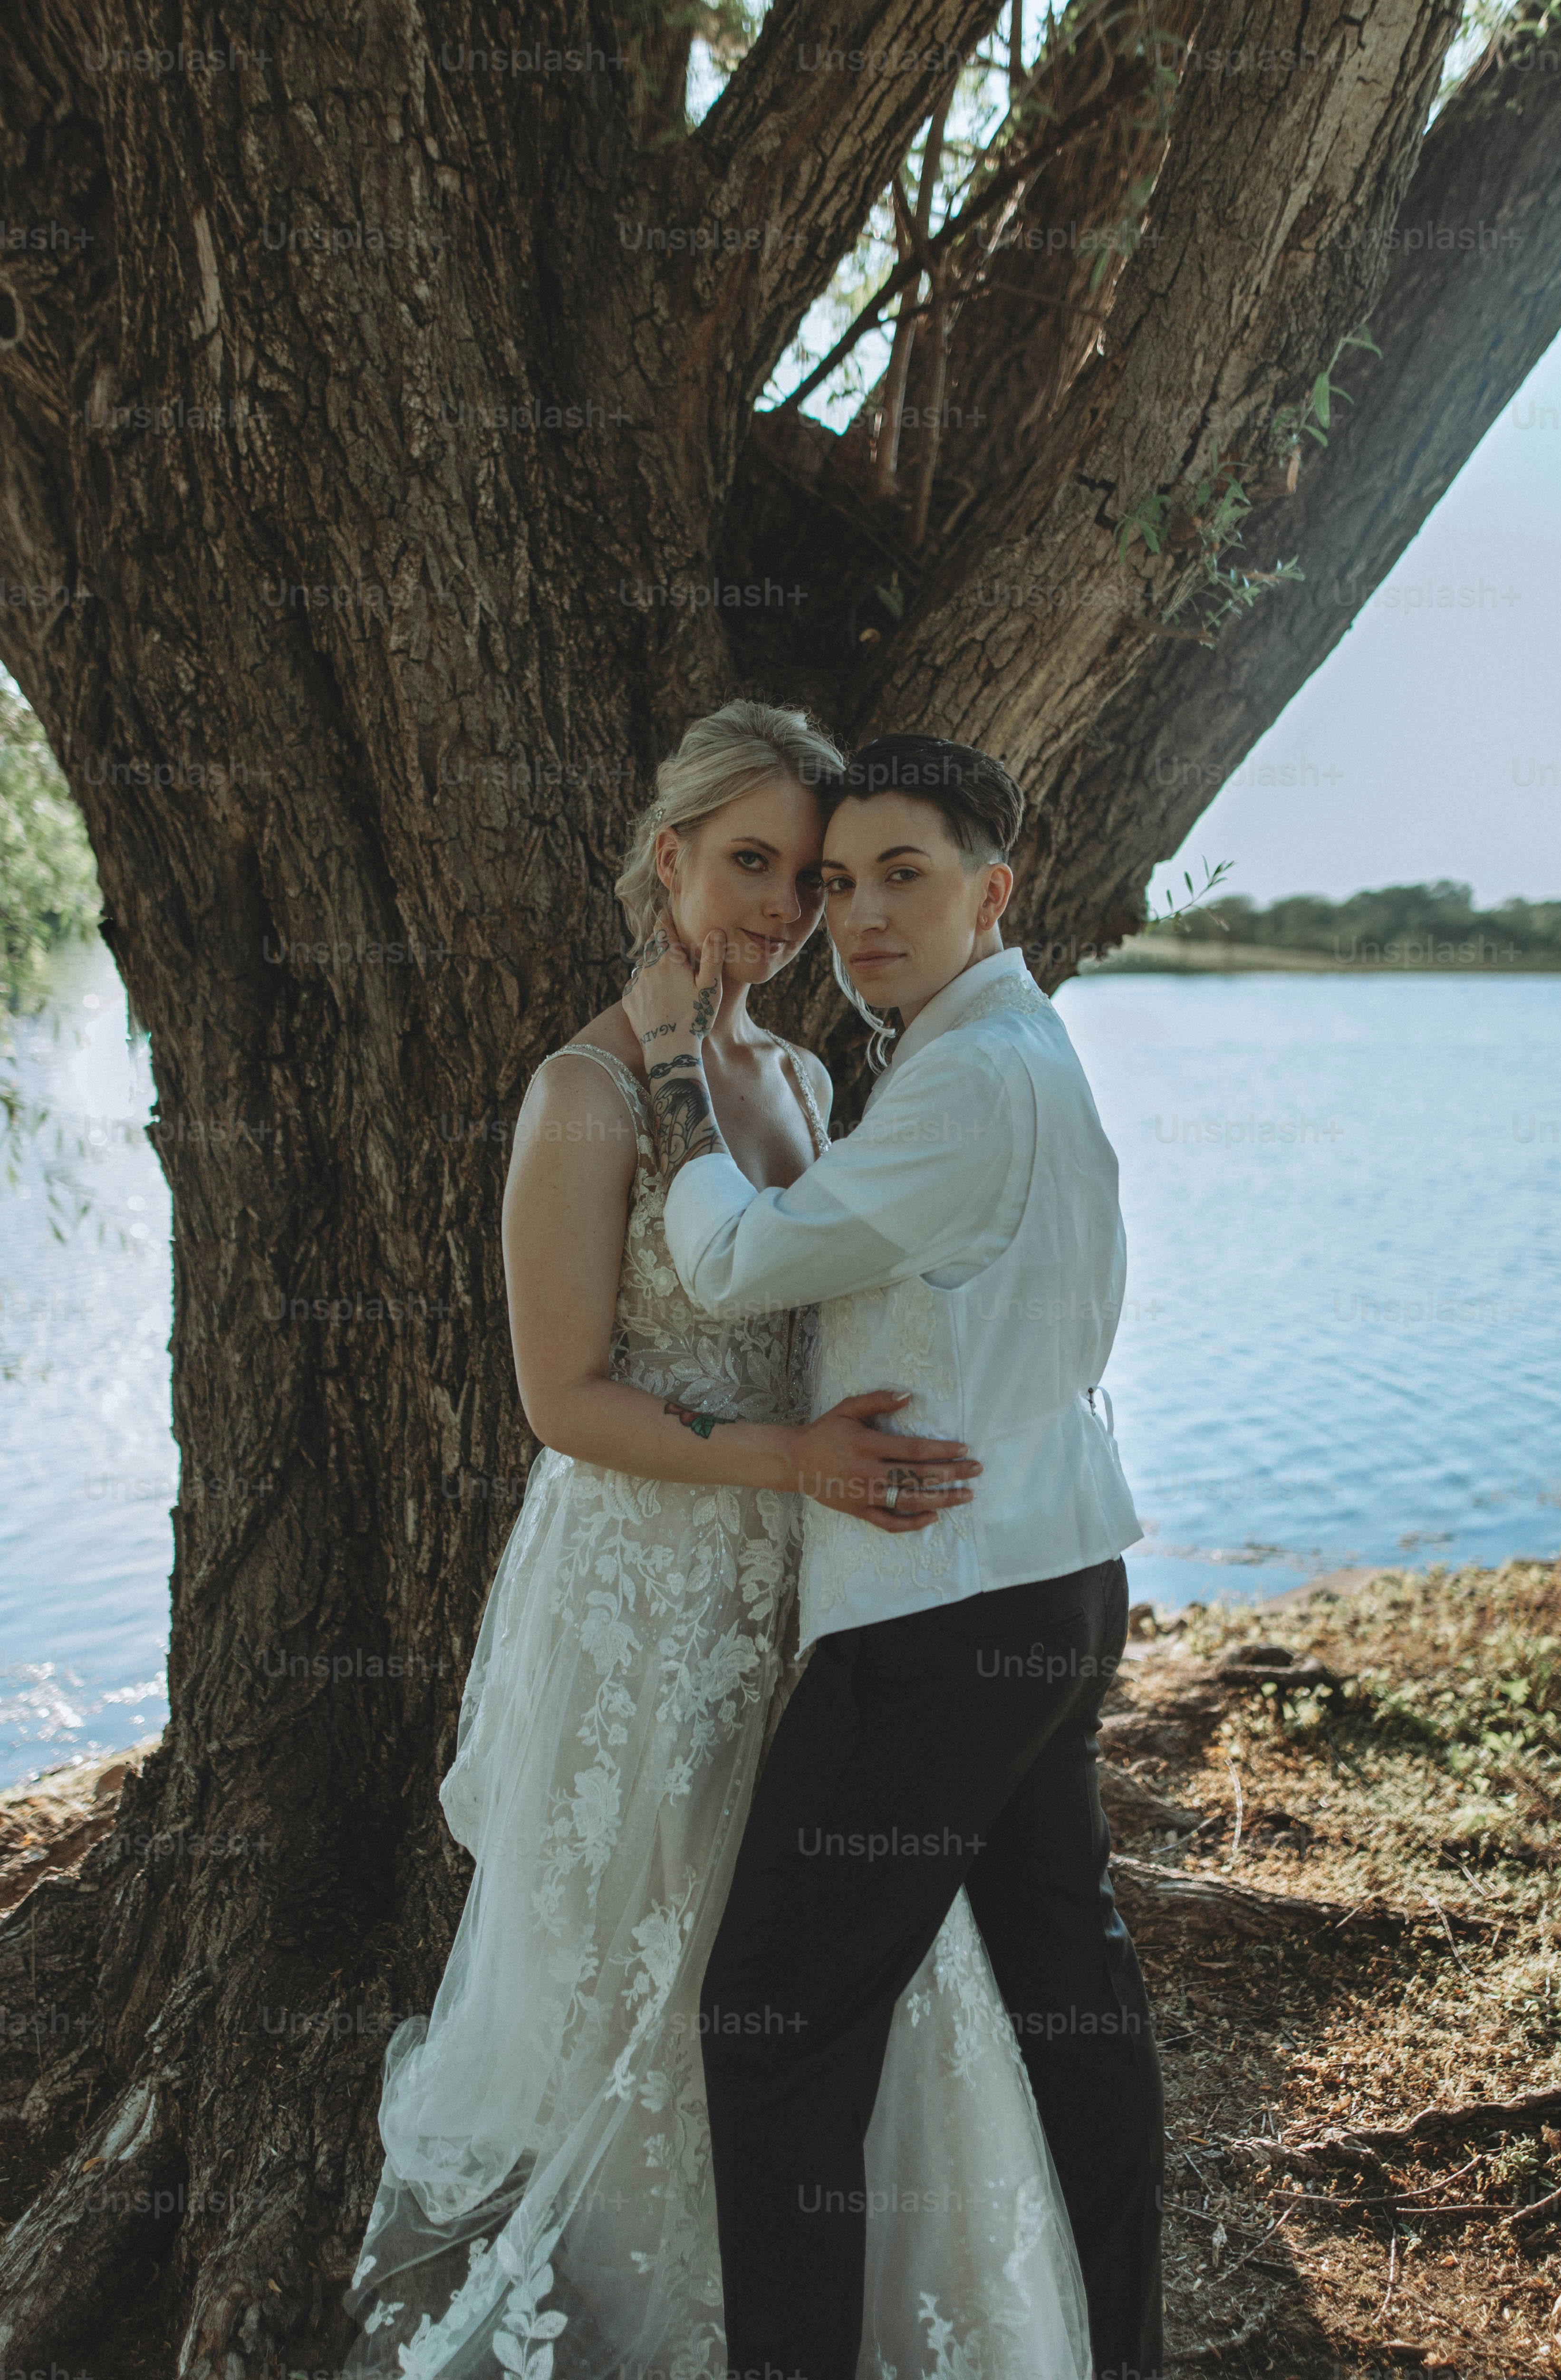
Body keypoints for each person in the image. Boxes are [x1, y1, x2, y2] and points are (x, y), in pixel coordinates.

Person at [340, 702, 1091, 2380]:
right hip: (650, 1584)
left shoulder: (812, 1075)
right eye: (749, 863)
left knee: (807, 1976)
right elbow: (562, 1398)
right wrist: (796, 1462)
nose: (781, 908)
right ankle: (639, 2323)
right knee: (655, 1974)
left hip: (806, 1591)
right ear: (668, 859)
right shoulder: (584, 1094)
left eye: (809, 880)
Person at [621, 730, 1164, 2380]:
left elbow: (733, 1263)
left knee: (773, 2027)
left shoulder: (974, 1079)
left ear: (995, 891)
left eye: (901, 878)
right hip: (1051, 1575)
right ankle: (1121, 2348)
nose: (854, 917)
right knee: (1070, 1983)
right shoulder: (997, 1047)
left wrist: (668, 1073)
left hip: (942, 1614)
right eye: (836, 883)